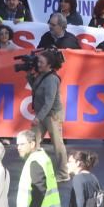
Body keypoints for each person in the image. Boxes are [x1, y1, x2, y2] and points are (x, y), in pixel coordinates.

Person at [26, 49, 70, 183]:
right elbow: (35, 87)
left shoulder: (51, 79)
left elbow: (49, 102)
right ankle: (33, 170)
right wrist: (29, 74)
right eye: (38, 61)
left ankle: (63, 173)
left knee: (58, 145)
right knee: (32, 141)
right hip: (43, 114)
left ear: (49, 64)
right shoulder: (42, 75)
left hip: (52, 115)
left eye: (41, 62)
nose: (37, 64)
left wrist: (38, 118)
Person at [14, 129, 64, 207]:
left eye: (22, 144)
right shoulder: (43, 156)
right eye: (17, 144)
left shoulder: (34, 161)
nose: (18, 147)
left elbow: (39, 189)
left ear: (32, 144)